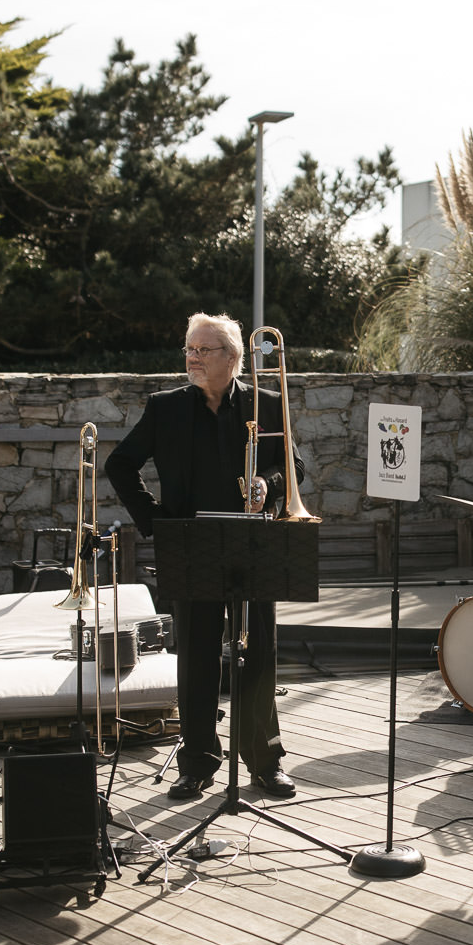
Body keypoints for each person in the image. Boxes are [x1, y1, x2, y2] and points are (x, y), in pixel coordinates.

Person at [105, 313, 303, 802]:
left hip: (256, 541)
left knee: (259, 654)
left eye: (204, 349)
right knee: (196, 658)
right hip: (190, 544)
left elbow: (292, 466)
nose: (192, 357)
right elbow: (119, 464)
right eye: (189, 349)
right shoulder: (165, 408)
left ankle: (264, 760)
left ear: (233, 358)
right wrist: (156, 522)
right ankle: (196, 764)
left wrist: (268, 484)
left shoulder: (268, 403)